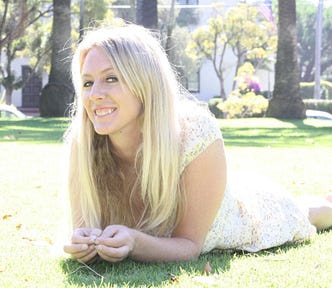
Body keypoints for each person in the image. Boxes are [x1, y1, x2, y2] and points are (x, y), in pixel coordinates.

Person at [63, 24, 332, 264]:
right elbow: (83, 229)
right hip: (217, 187)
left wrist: (135, 243)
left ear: (144, 83)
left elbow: (190, 245)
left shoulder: (195, 132)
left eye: (111, 78)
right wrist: (79, 242)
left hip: (245, 214)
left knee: (309, 213)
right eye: (87, 83)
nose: (95, 95)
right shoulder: (82, 143)